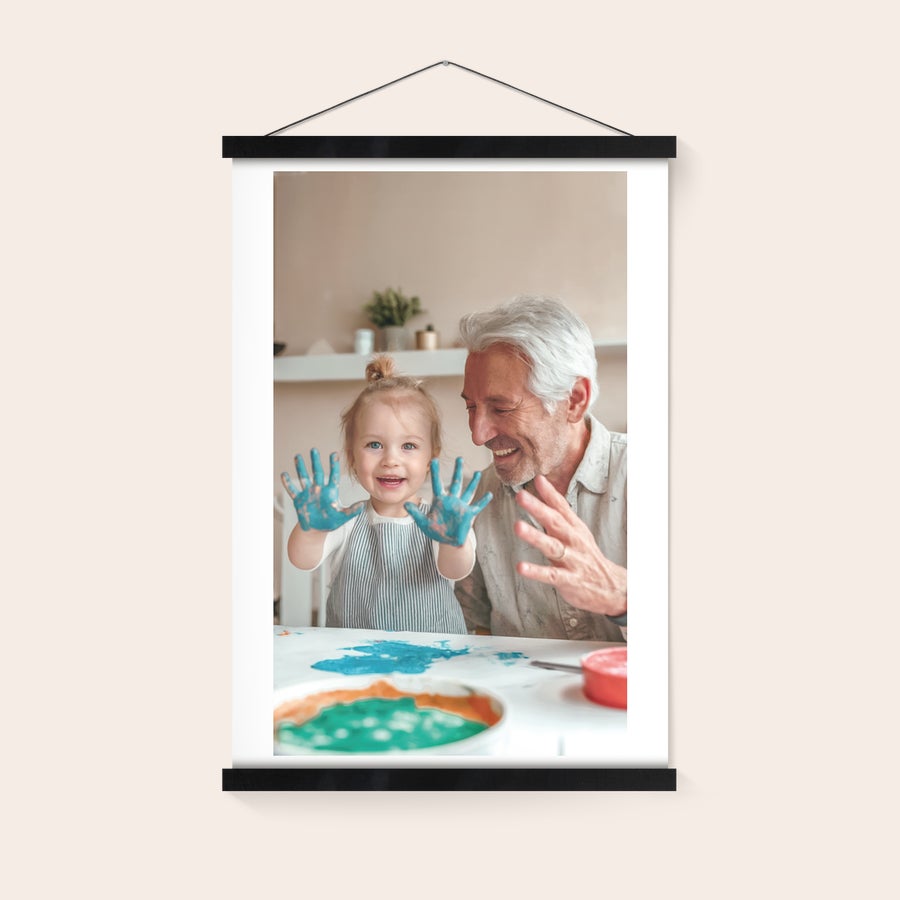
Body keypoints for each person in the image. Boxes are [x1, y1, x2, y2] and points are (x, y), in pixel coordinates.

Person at [454, 296, 627, 641]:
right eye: (471, 407)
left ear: (574, 400)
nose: (478, 435)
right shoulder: (479, 497)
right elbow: (471, 630)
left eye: (501, 409)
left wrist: (623, 598)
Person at [281, 355, 491, 634]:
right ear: (352, 456)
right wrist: (312, 532)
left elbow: (456, 570)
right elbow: (302, 559)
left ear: (431, 457)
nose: (391, 460)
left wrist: (454, 541)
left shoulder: (442, 522)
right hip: (355, 653)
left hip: (433, 653)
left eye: (408, 446)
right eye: (374, 444)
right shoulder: (344, 522)